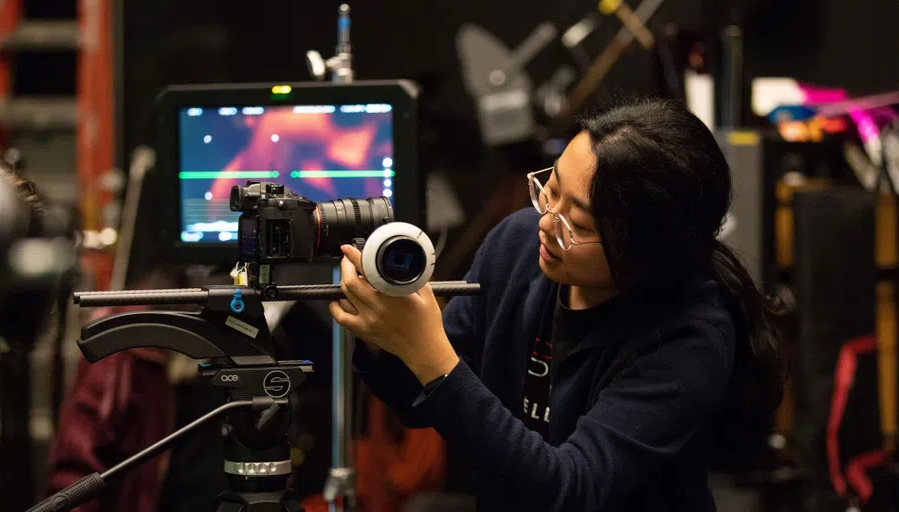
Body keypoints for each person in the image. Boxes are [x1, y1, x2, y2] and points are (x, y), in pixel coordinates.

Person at [327, 98, 786, 511]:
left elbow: (571, 490)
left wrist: (430, 356)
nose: (547, 221)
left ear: (646, 249)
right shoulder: (516, 245)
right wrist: (386, 341)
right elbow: (422, 402)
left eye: (578, 222)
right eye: (551, 188)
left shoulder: (690, 336)